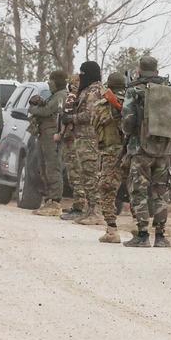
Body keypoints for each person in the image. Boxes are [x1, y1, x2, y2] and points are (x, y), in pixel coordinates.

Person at [121, 56, 171, 247]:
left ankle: (142, 235)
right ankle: (160, 237)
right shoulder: (169, 91)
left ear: (139, 70)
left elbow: (127, 121)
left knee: (139, 191)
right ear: (157, 71)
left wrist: (132, 133)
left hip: (140, 149)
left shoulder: (134, 90)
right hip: (165, 150)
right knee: (161, 192)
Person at [91, 72, 127, 243]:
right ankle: (141, 229)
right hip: (133, 153)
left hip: (111, 153)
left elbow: (95, 125)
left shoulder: (102, 105)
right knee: (136, 190)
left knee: (107, 189)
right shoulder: (134, 103)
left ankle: (112, 230)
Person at [27, 71, 69, 216]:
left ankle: (55, 202)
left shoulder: (61, 95)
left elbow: (47, 111)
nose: (49, 83)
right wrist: (40, 102)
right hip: (44, 135)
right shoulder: (54, 96)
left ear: (57, 82)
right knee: (43, 167)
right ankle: (49, 199)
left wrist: (33, 109)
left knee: (52, 167)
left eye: (51, 80)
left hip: (52, 136)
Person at [70, 61, 105, 225]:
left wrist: (72, 118)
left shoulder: (94, 91)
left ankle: (96, 211)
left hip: (91, 140)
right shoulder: (88, 89)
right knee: (85, 174)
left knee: (91, 175)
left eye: (83, 73)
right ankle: (90, 210)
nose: (80, 76)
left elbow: (90, 115)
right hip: (83, 139)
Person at [59, 73, 84, 220]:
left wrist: (60, 134)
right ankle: (80, 205)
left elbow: (66, 118)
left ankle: (79, 207)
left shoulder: (72, 98)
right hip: (80, 139)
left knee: (74, 174)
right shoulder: (83, 97)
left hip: (71, 140)